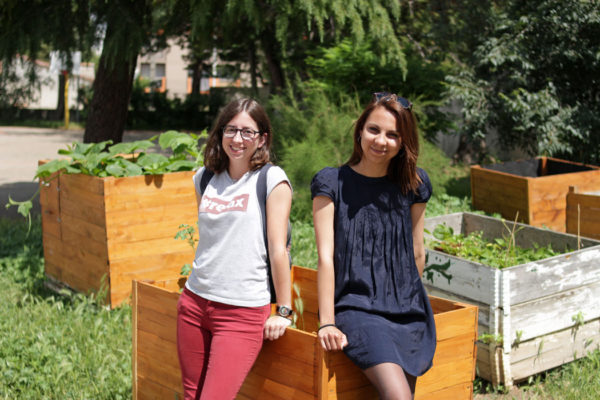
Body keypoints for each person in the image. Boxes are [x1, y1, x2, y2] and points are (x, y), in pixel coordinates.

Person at [311, 93, 436, 399]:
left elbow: (417, 252)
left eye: (393, 135)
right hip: (358, 309)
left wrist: (410, 299)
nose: (381, 141)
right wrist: (326, 321)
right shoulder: (331, 183)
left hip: (408, 312)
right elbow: (325, 257)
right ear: (360, 131)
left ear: (404, 142)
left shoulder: (413, 184)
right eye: (374, 130)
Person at [177, 97, 293, 400]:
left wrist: (283, 309)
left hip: (240, 312)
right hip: (194, 303)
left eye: (247, 132)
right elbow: (212, 240)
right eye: (231, 130)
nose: (238, 139)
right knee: (192, 396)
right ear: (220, 133)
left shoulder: (271, 180)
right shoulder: (204, 178)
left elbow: (279, 249)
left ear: (262, 138)